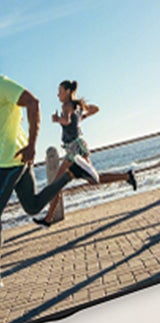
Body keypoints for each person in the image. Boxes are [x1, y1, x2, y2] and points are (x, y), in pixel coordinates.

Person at [0, 71, 76, 283]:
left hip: (10, 161)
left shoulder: (2, 84)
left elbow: (33, 103)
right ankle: (71, 173)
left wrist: (32, 146)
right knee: (32, 206)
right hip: (11, 161)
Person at [38, 80, 137, 222]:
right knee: (75, 182)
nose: (57, 94)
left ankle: (48, 218)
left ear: (67, 91)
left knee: (61, 183)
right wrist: (80, 118)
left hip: (75, 149)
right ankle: (127, 176)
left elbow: (66, 120)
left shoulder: (66, 105)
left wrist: (57, 119)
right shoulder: (76, 106)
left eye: (60, 91)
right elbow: (95, 109)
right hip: (75, 148)